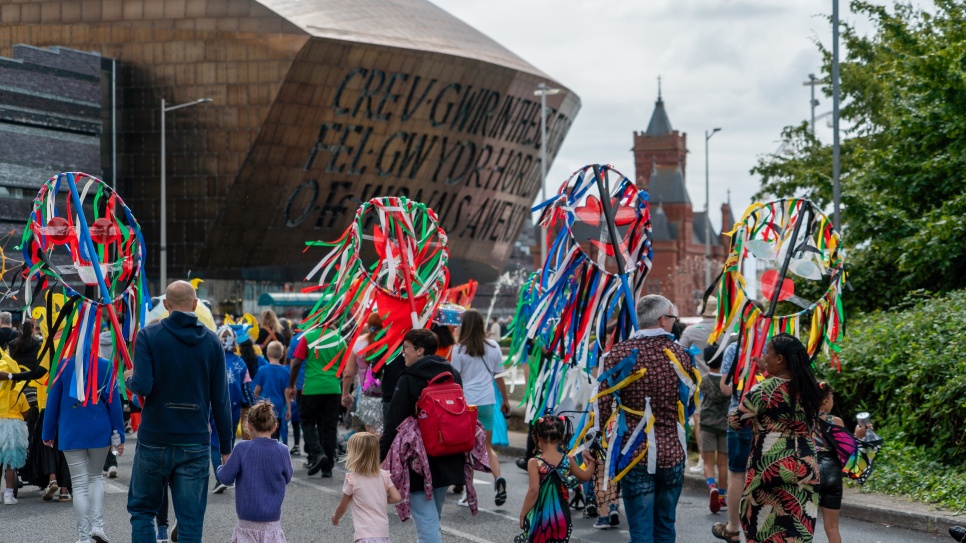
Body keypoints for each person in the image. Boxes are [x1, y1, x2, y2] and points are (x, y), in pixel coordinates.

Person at [126, 281, 233, 543]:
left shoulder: (148, 336)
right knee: (191, 521)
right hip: (194, 440)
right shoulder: (212, 342)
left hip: (154, 436)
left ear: (165, 305)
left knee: (142, 511)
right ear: (195, 304)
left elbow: (143, 386)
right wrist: (227, 447)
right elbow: (221, 400)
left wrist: (129, 378)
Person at [596, 295, 697, 543]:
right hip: (672, 451)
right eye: (672, 318)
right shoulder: (682, 355)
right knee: (665, 526)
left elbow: (602, 405)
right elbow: (689, 402)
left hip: (633, 453)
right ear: (663, 320)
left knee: (640, 532)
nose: (673, 322)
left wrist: (596, 442)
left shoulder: (617, 354)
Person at [728, 333, 824, 543]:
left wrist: (752, 387)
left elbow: (735, 422)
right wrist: (767, 371)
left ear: (779, 359)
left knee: (762, 528)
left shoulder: (762, 390)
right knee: (796, 529)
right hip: (806, 466)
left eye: (767, 353)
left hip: (770, 465)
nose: (764, 356)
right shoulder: (813, 390)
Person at [380, 329, 466, 543]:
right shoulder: (452, 373)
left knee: (425, 520)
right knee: (432, 516)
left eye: (406, 348)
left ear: (419, 350)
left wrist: (378, 457)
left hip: (418, 458)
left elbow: (394, 423)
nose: (403, 353)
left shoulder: (409, 378)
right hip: (449, 450)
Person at [42, 349, 126, 543]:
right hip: (99, 428)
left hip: (71, 431)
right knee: (96, 477)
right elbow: (114, 404)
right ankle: (98, 526)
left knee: (79, 483)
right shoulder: (106, 366)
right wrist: (119, 434)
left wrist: (47, 432)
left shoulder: (62, 366)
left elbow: (52, 402)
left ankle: (83, 536)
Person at [450, 309, 511, 507]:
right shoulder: (493, 346)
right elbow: (499, 376)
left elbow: (455, 380)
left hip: (467, 404)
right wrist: (506, 400)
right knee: (487, 446)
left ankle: (469, 493)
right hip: (487, 402)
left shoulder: (458, 349)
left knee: (467, 449)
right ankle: (498, 478)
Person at [216, 400, 292, 543]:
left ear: (249, 426)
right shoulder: (283, 451)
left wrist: (221, 466)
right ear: (274, 427)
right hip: (272, 524)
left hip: (247, 523)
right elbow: (287, 477)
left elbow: (226, 478)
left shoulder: (242, 448)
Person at [518, 415, 595, 543]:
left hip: (541, 518)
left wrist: (522, 514)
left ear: (539, 438)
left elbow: (533, 491)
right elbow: (586, 476)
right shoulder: (568, 460)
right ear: (560, 438)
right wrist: (592, 460)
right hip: (562, 517)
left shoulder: (535, 462)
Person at [813, 381, 870, 543]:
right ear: (825, 400)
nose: (832, 402)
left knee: (804, 526)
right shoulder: (835, 421)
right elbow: (847, 451)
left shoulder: (803, 420)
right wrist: (858, 436)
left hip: (811, 471)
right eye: (831, 398)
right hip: (832, 473)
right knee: (832, 528)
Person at [287, 326, 345, 478]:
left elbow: (296, 363)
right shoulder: (340, 339)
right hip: (333, 388)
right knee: (330, 427)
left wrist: (291, 385)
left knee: (307, 422)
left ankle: (317, 453)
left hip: (312, 387)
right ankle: (328, 467)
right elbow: (344, 365)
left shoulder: (308, 337)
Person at [331, 432, 402, 542]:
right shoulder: (383, 475)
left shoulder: (352, 479)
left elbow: (342, 506)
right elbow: (397, 497)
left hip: (364, 534)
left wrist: (336, 517)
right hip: (382, 534)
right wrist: (379, 498)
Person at [679, 296, 718, 475]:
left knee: (700, 422)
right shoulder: (727, 330)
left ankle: (704, 460)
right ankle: (720, 461)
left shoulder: (691, 331)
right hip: (723, 383)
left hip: (700, 384)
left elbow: (679, 354)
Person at [341, 313, 385, 435]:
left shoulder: (359, 343)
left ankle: (369, 453)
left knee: (366, 432)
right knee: (384, 431)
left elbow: (348, 373)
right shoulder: (390, 343)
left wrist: (345, 394)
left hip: (365, 393)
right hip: (387, 392)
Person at [699, 343, 730, 514]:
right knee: (723, 463)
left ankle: (712, 486)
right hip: (725, 425)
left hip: (707, 425)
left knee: (708, 462)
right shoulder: (729, 382)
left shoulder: (704, 380)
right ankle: (722, 497)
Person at [0, 350, 31, 505]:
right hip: (13, 429)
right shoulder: (19, 394)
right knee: (11, 463)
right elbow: (26, 412)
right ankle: (8, 494)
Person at [253, 341, 292, 442]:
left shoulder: (262, 370)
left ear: (268, 354)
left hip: (264, 406)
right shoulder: (285, 372)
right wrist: (289, 409)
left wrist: (254, 402)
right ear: (282, 355)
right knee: (276, 432)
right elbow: (286, 392)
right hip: (278, 406)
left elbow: (258, 389)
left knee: (263, 430)